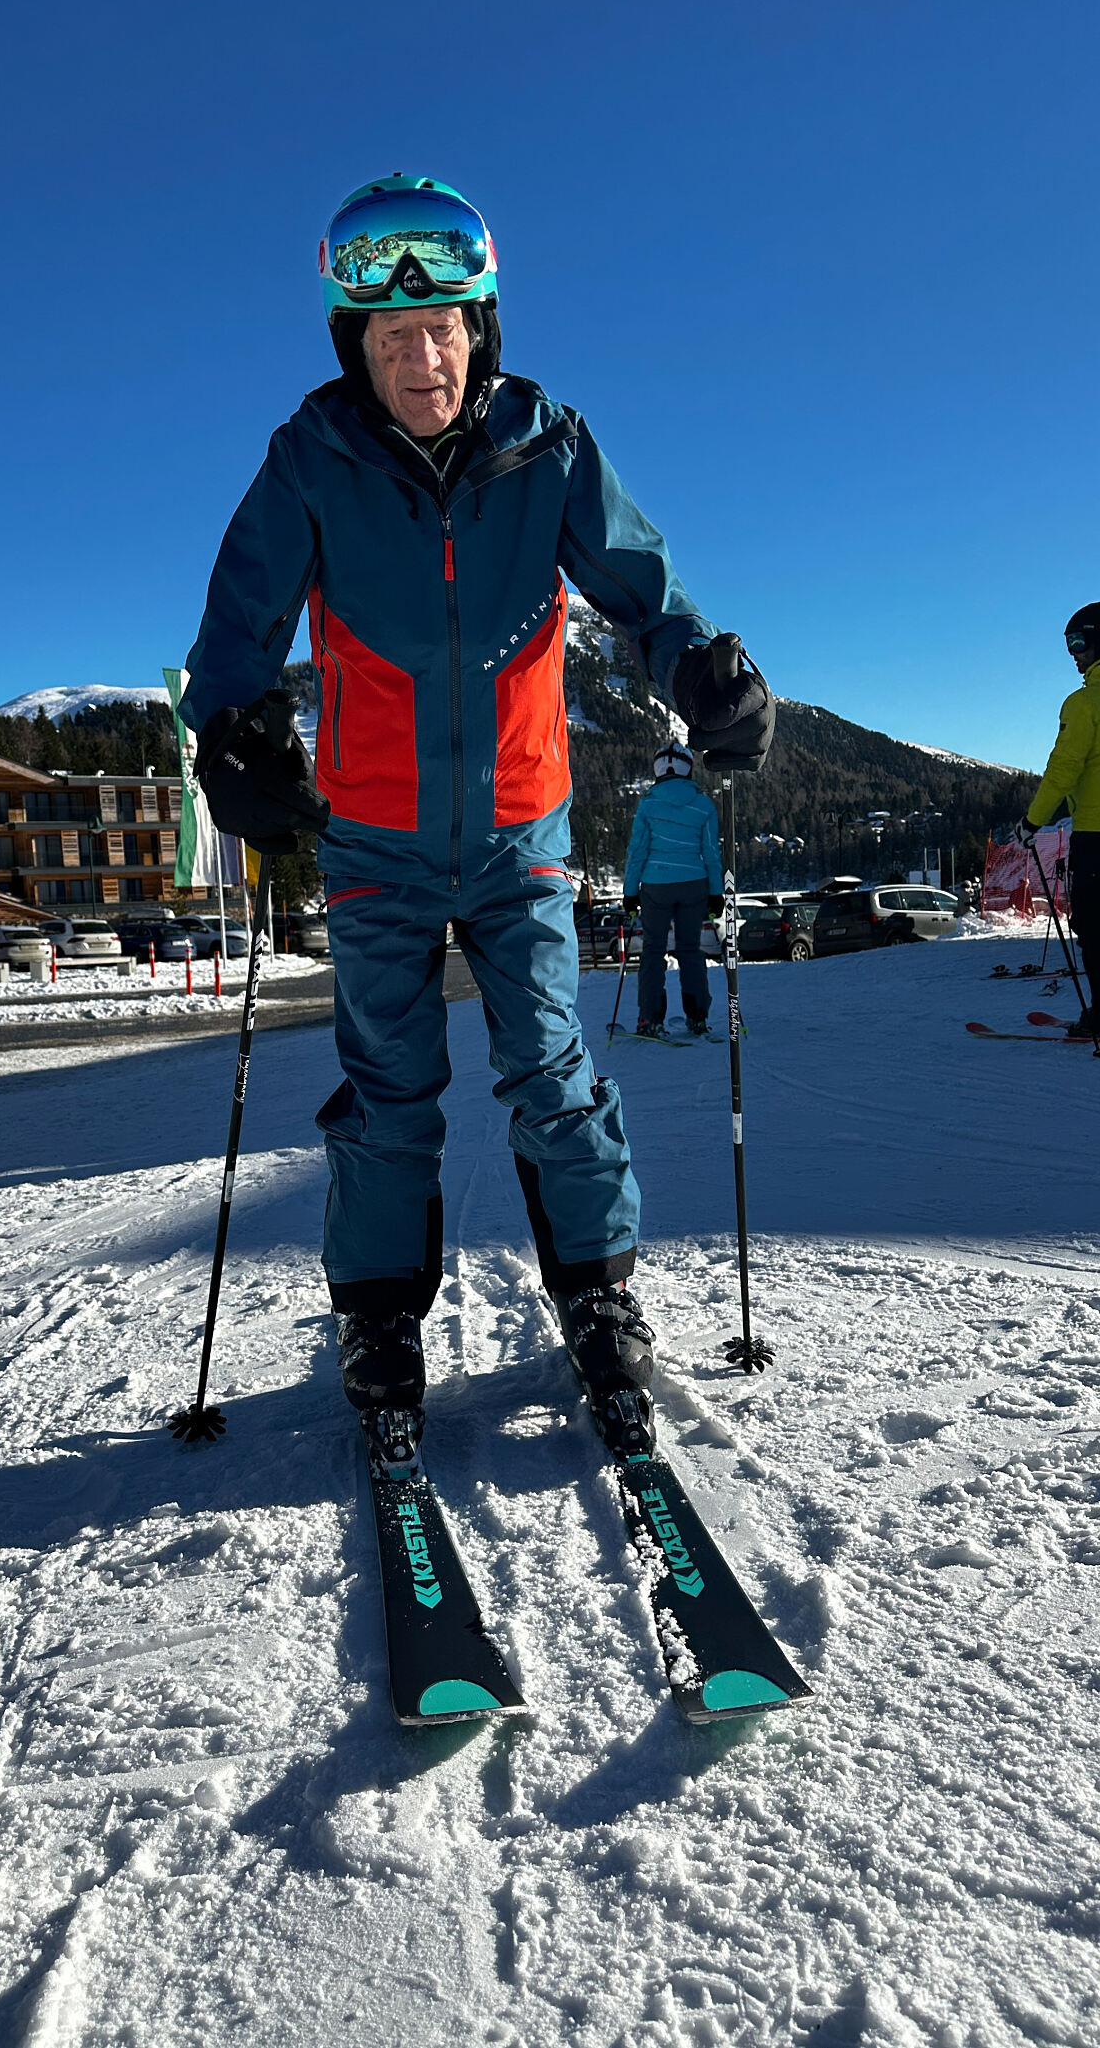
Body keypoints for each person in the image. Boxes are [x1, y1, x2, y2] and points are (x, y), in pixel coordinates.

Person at [180, 173, 773, 1459]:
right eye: (391, 335)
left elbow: (646, 594)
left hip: (519, 830)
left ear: (479, 326)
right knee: (387, 1092)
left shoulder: (546, 447)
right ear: (355, 346)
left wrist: (701, 674)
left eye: (441, 327)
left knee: (552, 1071)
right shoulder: (311, 458)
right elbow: (236, 629)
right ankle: (378, 1318)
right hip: (373, 837)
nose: (420, 357)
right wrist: (232, 735)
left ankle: (598, 1295)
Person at [1017, 601, 1100, 1038]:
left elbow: (1064, 769)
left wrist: (1032, 822)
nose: (1073, 655)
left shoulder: (1085, 702)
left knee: (1093, 926)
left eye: (1078, 642)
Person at [622, 741, 722, 1036]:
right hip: (694, 884)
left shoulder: (648, 804)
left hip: (656, 885)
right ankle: (698, 1016)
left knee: (653, 951)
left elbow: (637, 852)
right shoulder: (703, 804)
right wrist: (716, 893)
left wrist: (630, 892)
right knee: (690, 949)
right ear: (688, 769)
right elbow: (711, 854)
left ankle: (650, 1018)